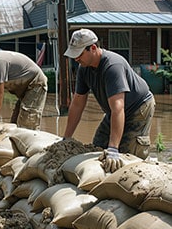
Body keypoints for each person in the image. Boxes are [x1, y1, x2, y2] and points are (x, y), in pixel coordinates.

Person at [63, 28, 155, 173]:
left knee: (128, 156)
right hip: (115, 110)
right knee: (98, 147)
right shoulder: (84, 68)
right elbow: (78, 103)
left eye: (79, 54)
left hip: (139, 107)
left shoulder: (112, 66)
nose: (76, 59)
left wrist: (113, 148)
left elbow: (118, 108)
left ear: (93, 48)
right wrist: (66, 138)